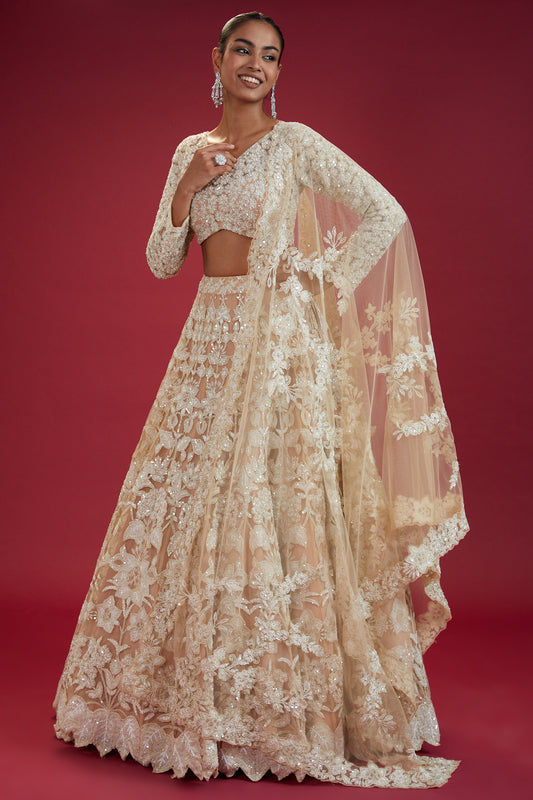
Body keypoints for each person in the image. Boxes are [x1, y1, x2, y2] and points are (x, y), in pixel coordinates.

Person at [53, 11, 469, 789]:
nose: (255, 64)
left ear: (279, 72)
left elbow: (385, 213)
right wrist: (188, 185)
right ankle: (187, 700)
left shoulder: (295, 144)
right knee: (189, 504)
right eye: (242, 50)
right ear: (216, 60)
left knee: (268, 504)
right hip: (206, 339)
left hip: (275, 345)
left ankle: (272, 705)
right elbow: (160, 261)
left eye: (269, 56)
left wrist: (319, 282)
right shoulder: (190, 150)